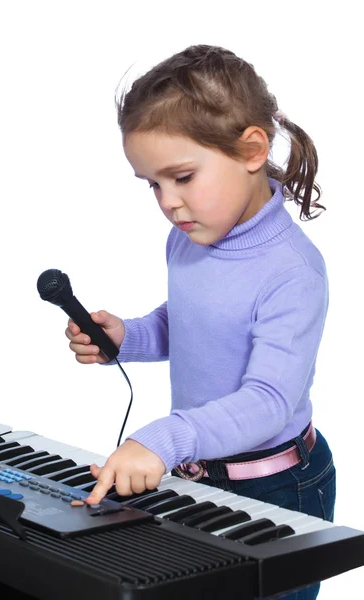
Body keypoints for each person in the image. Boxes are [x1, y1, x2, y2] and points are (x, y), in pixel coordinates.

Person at [65, 44, 336, 600]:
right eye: (152, 184)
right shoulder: (188, 238)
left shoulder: (292, 270)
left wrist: (165, 439)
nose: (168, 203)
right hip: (197, 469)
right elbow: (192, 321)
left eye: (182, 176)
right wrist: (130, 336)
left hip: (277, 487)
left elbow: (268, 401)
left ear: (251, 149)